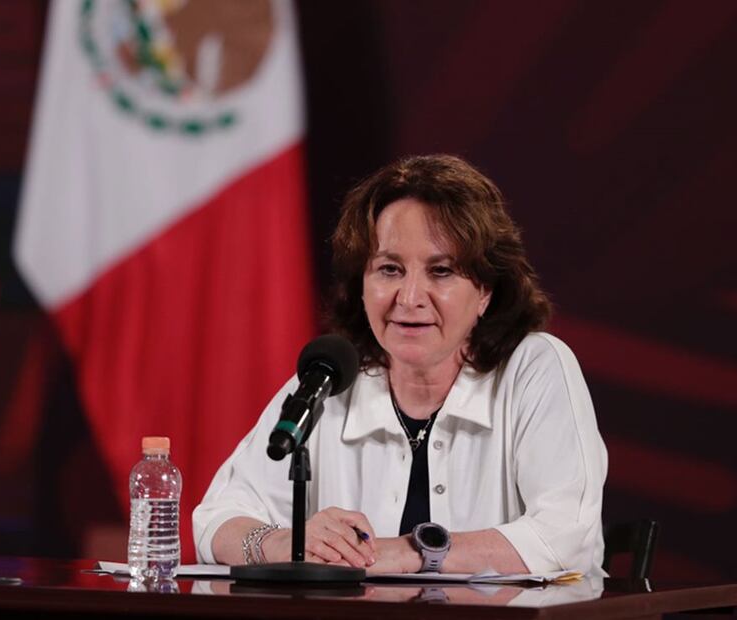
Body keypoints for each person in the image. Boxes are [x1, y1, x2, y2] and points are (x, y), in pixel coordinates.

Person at [193, 154, 607, 575]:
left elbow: (565, 536)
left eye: (441, 271)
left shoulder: (533, 368)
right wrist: (282, 542)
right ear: (362, 284)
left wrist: (408, 552)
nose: (409, 298)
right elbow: (215, 519)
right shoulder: (330, 382)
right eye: (389, 269)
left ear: (485, 290)